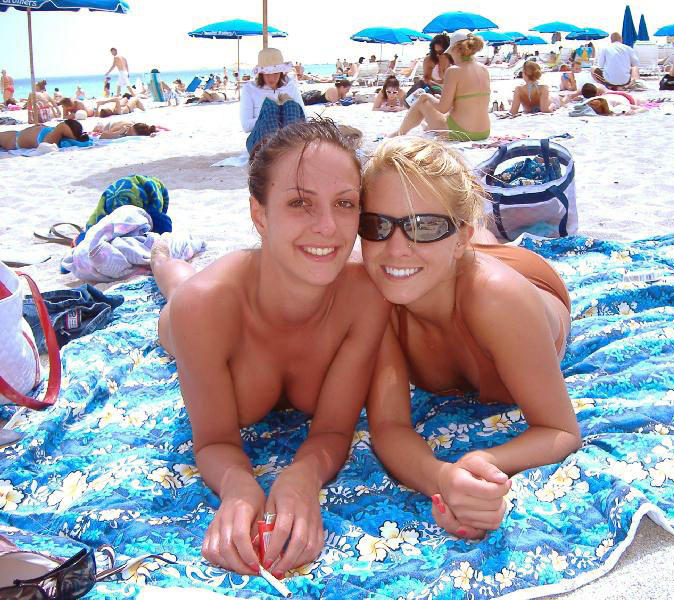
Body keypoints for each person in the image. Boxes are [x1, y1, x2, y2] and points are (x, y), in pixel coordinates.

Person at [150, 118, 389, 576]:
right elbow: (215, 441)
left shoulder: (365, 297)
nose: (327, 227)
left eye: (344, 203)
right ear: (260, 215)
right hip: (193, 315)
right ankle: (162, 259)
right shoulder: (204, 309)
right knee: (176, 290)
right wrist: (240, 488)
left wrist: (303, 477)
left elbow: (333, 432)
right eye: (300, 202)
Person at [359, 136, 581, 539]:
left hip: (526, 283)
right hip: (451, 262)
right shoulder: (377, 294)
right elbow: (389, 426)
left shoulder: (499, 302)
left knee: (473, 262)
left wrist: (482, 460)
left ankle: (477, 235)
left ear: (455, 235)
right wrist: (442, 480)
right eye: (375, 225)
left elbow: (561, 431)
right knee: (435, 256)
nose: (394, 248)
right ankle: (462, 231)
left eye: (423, 226)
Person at [391, 30, 490, 142]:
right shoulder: (484, 69)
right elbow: (470, 101)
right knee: (434, 105)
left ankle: (399, 133)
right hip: (484, 132)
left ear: (456, 50)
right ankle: (424, 127)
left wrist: (427, 96)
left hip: (463, 133)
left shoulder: (454, 71)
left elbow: (443, 108)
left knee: (423, 101)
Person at [240, 48, 305, 134]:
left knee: (290, 105)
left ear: (281, 72)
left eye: (275, 73)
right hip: (262, 138)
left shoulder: (290, 86)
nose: (271, 78)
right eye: (267, 74)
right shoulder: (249, 89)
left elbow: (304, 117)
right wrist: (270, 116)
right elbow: (246, 126)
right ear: (261, 73)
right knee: (270, 108)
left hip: (289, 137)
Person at [405, 34, 454, 99]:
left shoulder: (454, 60)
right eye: (435, 51)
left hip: (451, 91)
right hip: (434, 91)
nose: (437, 55)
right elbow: (426, 79)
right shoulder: (429, 60)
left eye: (440, 52)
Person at [0, 118, 88, 150]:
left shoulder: (53, 137)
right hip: (15, 136)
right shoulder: (54, 133)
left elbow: (64, 126)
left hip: (13, 140)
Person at [92, 121, 162, 139]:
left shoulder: (143, 129)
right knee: (98, 128)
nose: (127, 132)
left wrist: (151, 134)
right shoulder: (124, 127)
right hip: (109, 126)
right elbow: (103, 136)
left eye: (130, 132)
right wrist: (119, 132)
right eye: (129, 130)